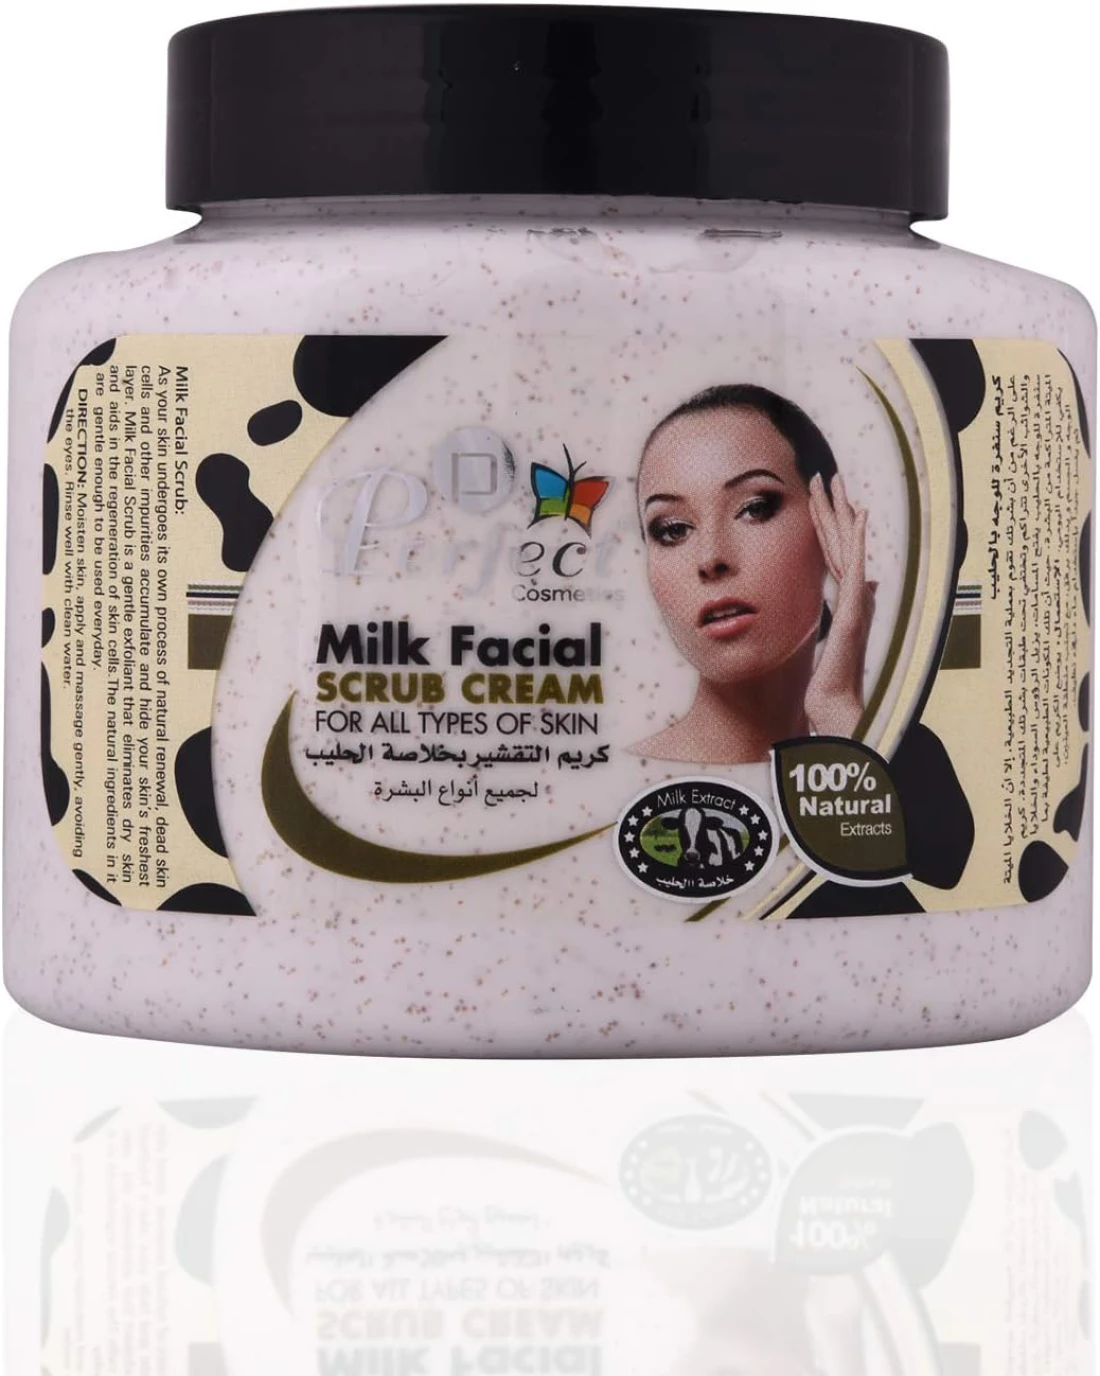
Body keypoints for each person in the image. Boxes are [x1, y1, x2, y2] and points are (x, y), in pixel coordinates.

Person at [633, 384, 875, 764]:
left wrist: (836, 707)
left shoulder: (912, 752)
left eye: (755, 508)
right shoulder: (616, 780)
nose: (710, 558)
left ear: (831, 523)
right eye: (673, 529)